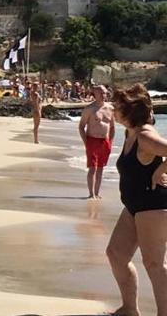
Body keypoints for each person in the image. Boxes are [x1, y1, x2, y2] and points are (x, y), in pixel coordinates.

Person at [106, 84, 167, 316]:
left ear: (131, 110)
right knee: (116, 254)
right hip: (133, 205)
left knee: (154, 264)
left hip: (153, 205)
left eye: (118, 107)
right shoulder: (130, 132)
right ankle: (130, 308)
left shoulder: (145, 136)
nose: (114, 110)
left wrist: (160, 170)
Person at [79, 85, 115, 200]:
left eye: (105, 93)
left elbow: (112, 127)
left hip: (105, 141)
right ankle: (91, 194)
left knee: (100, 168)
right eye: (101, 93)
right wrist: (86, 142)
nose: (104, 95)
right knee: (93, 168)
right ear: (95, 94)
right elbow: (81, 127)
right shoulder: (89, 109)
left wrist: (110, 141)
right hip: (92, 140)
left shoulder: (110, 108)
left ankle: (97, 193)